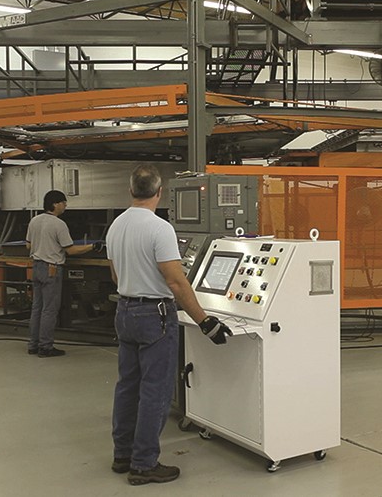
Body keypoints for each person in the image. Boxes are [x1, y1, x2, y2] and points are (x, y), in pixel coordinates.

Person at [106, 164, 232, 486]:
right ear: (160, 193)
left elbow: (116, 276)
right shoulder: (160, 229)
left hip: (124, 310)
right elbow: (176, 283)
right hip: (154, 315)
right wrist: (206, 322)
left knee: (127, 385)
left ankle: (123, 455)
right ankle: (144, 464)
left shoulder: (116, 226)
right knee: (156, 390)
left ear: (131, 190)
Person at [26, 189, 103, 357]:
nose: (65, 205)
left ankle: (33, 345)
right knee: (49, 310)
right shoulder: (58, 224)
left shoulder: (34, 221)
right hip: (51, 269)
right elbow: (71, 250)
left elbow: (28, 246)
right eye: (63, 202)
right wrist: (93, 246)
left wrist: (43, 247)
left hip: (36, 267)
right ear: (55, 204)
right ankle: (46, 347)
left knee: (37, 307)